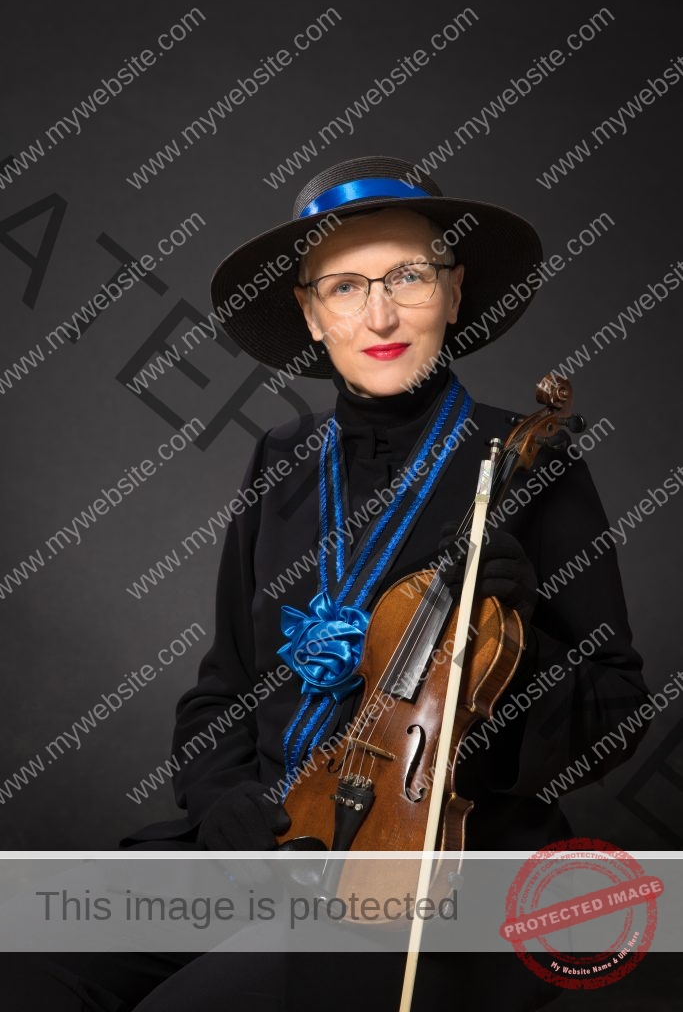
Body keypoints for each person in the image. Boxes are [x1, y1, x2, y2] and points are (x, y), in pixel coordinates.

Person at [3, 156, 650, 1010]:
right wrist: (223, 800)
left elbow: (615, 709)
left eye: (407, 277)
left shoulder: (527, 462)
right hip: (275, 843)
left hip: (429, 872)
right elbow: (225, 685)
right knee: (30, 971)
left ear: (454, 295)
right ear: (310, 313)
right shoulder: (281, 462)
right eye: (344, 287)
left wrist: (514, 644)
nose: (378, 313)